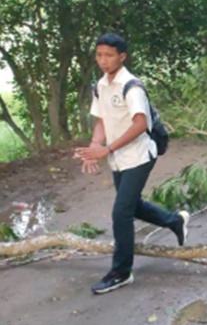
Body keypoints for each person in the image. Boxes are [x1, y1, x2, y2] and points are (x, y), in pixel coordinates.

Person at [74, 34, 189, 294]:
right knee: (132, 206)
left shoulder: (132, 86)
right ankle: (174, 221)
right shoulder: (101, 85)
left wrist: (107, 149)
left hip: (138, 156)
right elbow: (102, 119)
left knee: (121, 212)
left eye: (109, 55)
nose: (103, 60)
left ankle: (121, 272)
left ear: (122, 56)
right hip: (118, 158)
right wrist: (95, 145)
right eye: (99, 55)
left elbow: (140, 124)